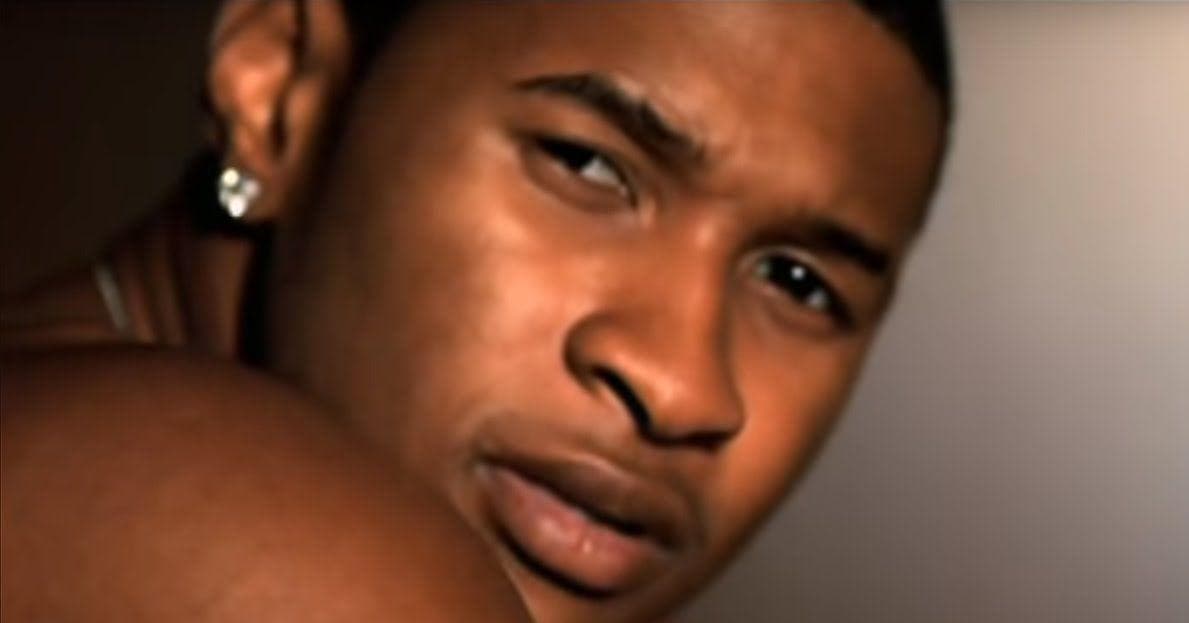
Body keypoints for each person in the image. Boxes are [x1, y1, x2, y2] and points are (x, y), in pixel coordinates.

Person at [0, 1, 952, 621]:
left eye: (796, 282)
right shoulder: (296, 566)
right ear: (280, 88)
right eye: (585, 165)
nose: (682, 386)